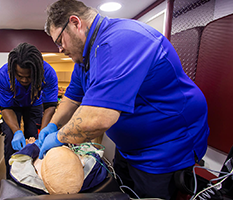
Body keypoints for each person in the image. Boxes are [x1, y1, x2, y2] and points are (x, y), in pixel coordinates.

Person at [38, 0, 210, 199]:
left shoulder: (119, 41)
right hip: (131, 148)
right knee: (123, 192)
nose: (60, 49)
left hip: (165, 147)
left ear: (76, 23)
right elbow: (72, 98)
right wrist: (52, 125)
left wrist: (59, 137)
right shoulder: (85, 58)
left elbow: (99, 118)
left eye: (60, 40)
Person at [0, 42, 58, 179]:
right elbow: (5, 108)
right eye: (19, 75)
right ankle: (12, 180)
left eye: (29, 76)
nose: (24, 79)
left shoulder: (48, 73)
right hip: (12, 106)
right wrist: (17, 131)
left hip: (35, 104)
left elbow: (50, 106)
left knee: (33, 138)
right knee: (11, 139)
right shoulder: (3, 75)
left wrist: (44, 130)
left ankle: (34, 176)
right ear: (12, 71)